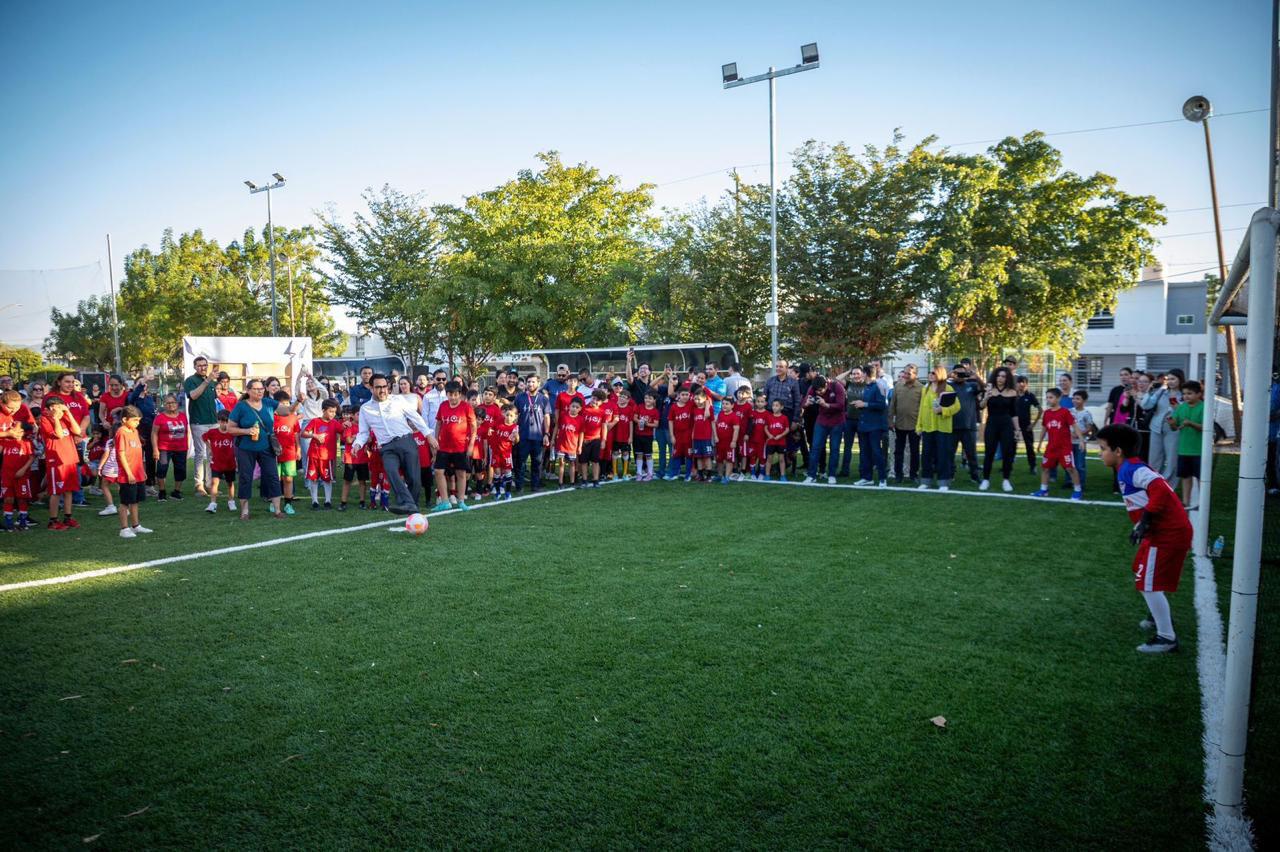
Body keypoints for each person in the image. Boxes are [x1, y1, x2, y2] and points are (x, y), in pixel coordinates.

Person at [1098, 423, 1192, 653]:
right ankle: (1156, 614)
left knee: (1147, 583)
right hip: (1160, 532)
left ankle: (1166, 638)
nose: (1100, 454)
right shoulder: (1127, 468)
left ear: (1118, 451)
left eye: (1102, 448)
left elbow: (1160, 488)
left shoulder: (1132, 469)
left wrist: (1145, 520)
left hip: (1168, 533)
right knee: (1139, 569)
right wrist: (1142, 524)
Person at [354, 373, 435, 515]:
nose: (382, 390)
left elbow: (415, 417)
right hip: (387, 448)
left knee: (414, 479)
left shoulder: (398, 400)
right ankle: (407, 503)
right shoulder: (365, 409)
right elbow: (363, 432)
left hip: (406, 441)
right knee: (391, 471)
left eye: (384, 386)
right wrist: (357, 444)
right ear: (371, 388)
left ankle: (411, 506)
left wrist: (428, 435)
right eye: (378, 387)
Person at [226, 379, 285, 521]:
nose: (260, 391)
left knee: (273, 476)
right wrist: (246, 431)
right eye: (256, 389)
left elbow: (288, 411)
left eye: (261, 389)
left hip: (266, 447)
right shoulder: (241, 406)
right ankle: (245, 511)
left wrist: (298, 402)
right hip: (245, 448)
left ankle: (277, 510)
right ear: (248, 390)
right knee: (245, 478)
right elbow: (230, 428)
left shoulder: (268, 403)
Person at [39, 396, 83, 529]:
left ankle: (67, 517)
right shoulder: (45, 419)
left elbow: (77, 431)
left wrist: (68, 412)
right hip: (56, 460)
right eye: (58, 407)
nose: (60, 410)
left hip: (70, 458)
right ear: (50, 408)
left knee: (69, 490)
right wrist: (56, 418)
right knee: (56, 491)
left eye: (61, 407)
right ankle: (53, 520)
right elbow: (59, 434)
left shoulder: (65, 416)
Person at [431, 380, 475, 511]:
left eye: (456, 394)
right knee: (438, 471)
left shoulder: (466, 407)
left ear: (460, 394)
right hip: (443, 446)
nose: (453, 397)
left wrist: (471, 445)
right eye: (450, 394)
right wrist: (436, 441)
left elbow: (474, 427)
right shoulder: (443, 405)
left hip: (460, 447)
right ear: (447, 394)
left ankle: (461, 501)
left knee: (460, 473)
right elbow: (439, 424)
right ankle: (445, 501)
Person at [1032, 389, 1083, 500]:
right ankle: (1044, 490)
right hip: (1051, 447)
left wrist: (1081, 440)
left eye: (1051, 397)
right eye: (1047, 397)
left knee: (1070, 469)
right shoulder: (1047, 413)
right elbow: (1044, 429)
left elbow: (1074, 426)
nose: (1048, 399)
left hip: (1065, 447)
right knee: (1045, 468)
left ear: (1059, 398)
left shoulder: (1065, 412)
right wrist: (1039, 443)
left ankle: (1078, 491)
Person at [916, 366, 960, 491]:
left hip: (943, 428)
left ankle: (943, 482)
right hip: (928, 427)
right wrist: (919, 425)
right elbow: (921, 409)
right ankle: (926, 480)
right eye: (930, 373)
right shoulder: (925, 389)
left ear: (940, 374)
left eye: (933, 373)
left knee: (943, 455)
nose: (930, 375)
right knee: (926, 455)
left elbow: (957, 406)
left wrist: (943, 410)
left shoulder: (948, 388)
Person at [113, 406, 152, 538]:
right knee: (125, 502)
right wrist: (129, 473)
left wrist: (141, 470)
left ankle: (136, 526)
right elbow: (121, 454)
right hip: (127, 474)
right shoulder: (121, 432)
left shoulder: (134, 431)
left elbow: (138, 453)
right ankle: (124, 529)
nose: (137, 423)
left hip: (137, 472)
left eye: (138, 420)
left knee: (135, 501)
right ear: (125, 419)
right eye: (135, 420)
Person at [183, 356, 219, 496]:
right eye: (199, 365)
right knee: (200, 453)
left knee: (212, 453)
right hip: (199, 422)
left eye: (204, 365)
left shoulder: (211, 382)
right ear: (194, 367)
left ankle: (210, 484)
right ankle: (199, 485)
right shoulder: (190, 380)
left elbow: (214, 400)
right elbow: (193, 396)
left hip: (213, 421)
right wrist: (208, 380)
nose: (202, 368)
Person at [979, 366, 1019, 493]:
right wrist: (986, 396)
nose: (1000, 378)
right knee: (989, 452)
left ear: (1007, 379)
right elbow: (981, 406)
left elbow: (1014, 413)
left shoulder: (1012, 392)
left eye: (1003, 376)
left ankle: (1006, 480)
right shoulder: (989, 390)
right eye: (998, 376)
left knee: (1007, 452)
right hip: (992, 423)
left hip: (1006, 425)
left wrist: (1017, 430)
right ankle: (986, 479)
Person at [1168, 381, 1205, 508]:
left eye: (1189, 393)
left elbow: (1206, 427)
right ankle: (1185, 502)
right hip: (1184, 449)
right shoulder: (1181, 407)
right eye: (1184, 394)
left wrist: (1191, 423)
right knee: (1185, 477)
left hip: (1199, 450)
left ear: (1199, 394)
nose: (1186, 396)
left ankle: (1203, 502)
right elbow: (1174, 428)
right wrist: (1172, 423)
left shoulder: (1204, 407)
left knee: (1201, 478)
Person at [803, 375, 847, 484]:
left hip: (837, 421)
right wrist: (806, 403)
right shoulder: (813, 388)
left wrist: (826, 404)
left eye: (820, 390)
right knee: (815, 447)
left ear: (826, 384)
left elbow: (841, 405)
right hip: (822, 420)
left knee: (834, 448)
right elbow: (803, 403)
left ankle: (832, 475)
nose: (819, 393)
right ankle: (811, 475)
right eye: (817, 391)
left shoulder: (837, 386)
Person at [513, 374, 551, 493]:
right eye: (528, 382)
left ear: (538, 384)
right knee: (521, 462)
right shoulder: (519, 397)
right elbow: (514, 416)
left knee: (537, 463)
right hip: (523, 436)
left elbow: (547, 417)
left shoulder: (543, 399)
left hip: (538, 436)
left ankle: (535, 486)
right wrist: (515, 432)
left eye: (533, 382)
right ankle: (519, 487)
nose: (530, 384)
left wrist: (546, 434)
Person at [301, 399, 342, 509]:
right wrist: (314, 435)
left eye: (334, 412)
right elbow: (303, 433)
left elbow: (343, 431)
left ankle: (328, 501)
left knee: (327, 479)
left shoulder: (335, 423)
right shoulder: (315, 421)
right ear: (323, 410)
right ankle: (314, 501)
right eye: (330, 411)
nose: (333, 414)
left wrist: (348, 425)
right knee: (313, 478)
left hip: (328, 457)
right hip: (313, 456)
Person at [853, 366, 889, 487]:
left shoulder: (878, 385)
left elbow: (882, 405)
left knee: (876, 452)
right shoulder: (867, 387)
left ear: (865, 374)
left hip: (875, 426)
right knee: (864, 452)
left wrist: (865, 404)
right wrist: (859, 404)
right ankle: (866, 478)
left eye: (861, 373)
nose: (859, 376)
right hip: (864, 425)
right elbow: (867, 404)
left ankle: (882, 478)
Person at [1145, 369, 1183, 485]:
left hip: (1173, 429)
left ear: (1180, 380)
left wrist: (1177, 408)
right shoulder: (1162, 392)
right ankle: (1154, 485)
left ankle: (1169, 487)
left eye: (1173, 379)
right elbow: (1147, 405)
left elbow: (1185, 414)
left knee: (1172, 460)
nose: (1170, 381)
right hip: (1156, 427)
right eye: (1168, 379)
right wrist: (1149, 390)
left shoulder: (1183, 395)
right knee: (1154, 460)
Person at [152, 393, 191, 502]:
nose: (171, 405)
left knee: (180, 470)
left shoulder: (183, 416)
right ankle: (162, 491)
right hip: (164, 448)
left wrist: (187, 446)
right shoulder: (160, 417)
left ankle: (176, 492)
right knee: (162, 469)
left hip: (181, 448)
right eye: (168, 403)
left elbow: (187, 432)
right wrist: (155, 449)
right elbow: (154, 433)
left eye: (173, 402)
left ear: (177, 403)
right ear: (164, 404)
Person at [889, 365, 922, 484]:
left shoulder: (921, 388)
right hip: (899, 424)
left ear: (915, 375)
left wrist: (921, 424)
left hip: (915, 425)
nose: (906, 375)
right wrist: (890, 421)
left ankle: (913, 474)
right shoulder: (898, 386)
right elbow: (892, 405)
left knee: (914, 451)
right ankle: (898, 475)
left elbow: (923, 408)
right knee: (898, 451)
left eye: (909, 373)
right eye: (905, 373)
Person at [950, 365, 982, 484]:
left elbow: (984, 388)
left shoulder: (971, 385)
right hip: (952, 425)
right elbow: (938, 386)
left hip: (969, 426)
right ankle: (950, 474)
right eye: (957, 373)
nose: (960, 376)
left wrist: (976, 376)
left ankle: (974, 475)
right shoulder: (948, 386)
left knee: (971, 453)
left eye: (962, 373)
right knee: (950, 453)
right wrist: (949, 375)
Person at [202, 410, 238, 513]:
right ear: (218, 421)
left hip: (230, 463)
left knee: (230, 483)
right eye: (222, 421)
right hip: (217, 463)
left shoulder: (233, 433)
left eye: (227, 421)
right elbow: (204, 437)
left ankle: (231, 501)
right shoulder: (213, 432)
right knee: (214, 483)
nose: (224, 424)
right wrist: (210, 448)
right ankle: (213, 503)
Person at [834, 367, 866, 479]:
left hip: (862, 420)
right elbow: (837, 379)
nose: (856, 376)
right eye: (854, 374)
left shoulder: (867, 385)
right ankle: (845, 470)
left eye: (858, 373)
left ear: (862, 374)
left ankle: (863, 471)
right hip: (849, 420)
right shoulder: (849, 384)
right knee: (847, 447)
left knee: (863, 447)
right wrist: (849, 371)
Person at [339, 406, 370, 511]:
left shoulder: (365, 426)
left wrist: (359, 437)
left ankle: (362, 502)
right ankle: (343, 502)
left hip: (363, 458)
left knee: (362, 481)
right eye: (358, 414)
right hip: (350, 458)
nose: (360, 416)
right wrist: (358, 436)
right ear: (352, 415)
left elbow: (369, 439)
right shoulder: (350, 425)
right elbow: (348, 440)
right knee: (347, 481)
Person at [555, 396, 585, 487]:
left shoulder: (581, 419)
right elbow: (558, 427)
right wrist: (553, 439)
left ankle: (572, 482)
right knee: (561, 463)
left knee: (572, 463)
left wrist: (580, 446)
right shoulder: (563, 415)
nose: (574, 409)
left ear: (580, 409)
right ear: (569, 406)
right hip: (561, 444)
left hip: (572, 446)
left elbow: (581, 433)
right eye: (573, 406)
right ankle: (560, 482)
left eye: (577, 407)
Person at [1070, 391, 1097, 491]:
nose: (1075, 400)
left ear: (1084, 401)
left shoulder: (1086, 413)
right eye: (1073, 398)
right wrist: (1070, 434)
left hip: (1081, 443)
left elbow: (1089, 428)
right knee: (1069, 463)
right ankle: (1069, 482)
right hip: (1069, 442)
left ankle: (1081, 483)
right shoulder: (1069, 411)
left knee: (1080, 465)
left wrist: (1079, 434)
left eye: (1078, 399)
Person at [713, 391, 741, 483]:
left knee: (729, 460)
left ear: (732, 405)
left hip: (729, 442)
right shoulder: (720, 414)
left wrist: (734, 441)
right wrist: (715, 436)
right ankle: (720, 475)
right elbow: (715, 425)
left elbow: (736, 429)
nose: (724, 406)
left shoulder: (734, 416)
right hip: (720, 442)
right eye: (723, 404)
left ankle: (727, 476)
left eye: (727, 404)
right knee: (719, 459)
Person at [1014, 376, 1040, 474]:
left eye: (1023, 382)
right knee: (1010, 445)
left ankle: (1033, 466)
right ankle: (1007, 466)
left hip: (1026, 425)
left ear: (1027, 384)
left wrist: (1033, 424)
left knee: (1029, 446)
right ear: (1016, 384)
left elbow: (1040, 410)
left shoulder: (1030, 395)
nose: (1021, 384)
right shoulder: (1012, 395)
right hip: (1013, 425)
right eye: (1019, 382)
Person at [763, 399, 790, 481]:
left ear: (781, 407)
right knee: (769, 459)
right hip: (771, 442)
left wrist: (780, 435)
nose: (774, 407)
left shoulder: (784, 417)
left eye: (776, 405)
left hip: (781, 442)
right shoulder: (769, 416)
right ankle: (767, 475)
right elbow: (765, 427)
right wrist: (769, 435)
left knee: (781, 459)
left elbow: (787, 429)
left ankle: (783, 475)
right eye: (773, 405)